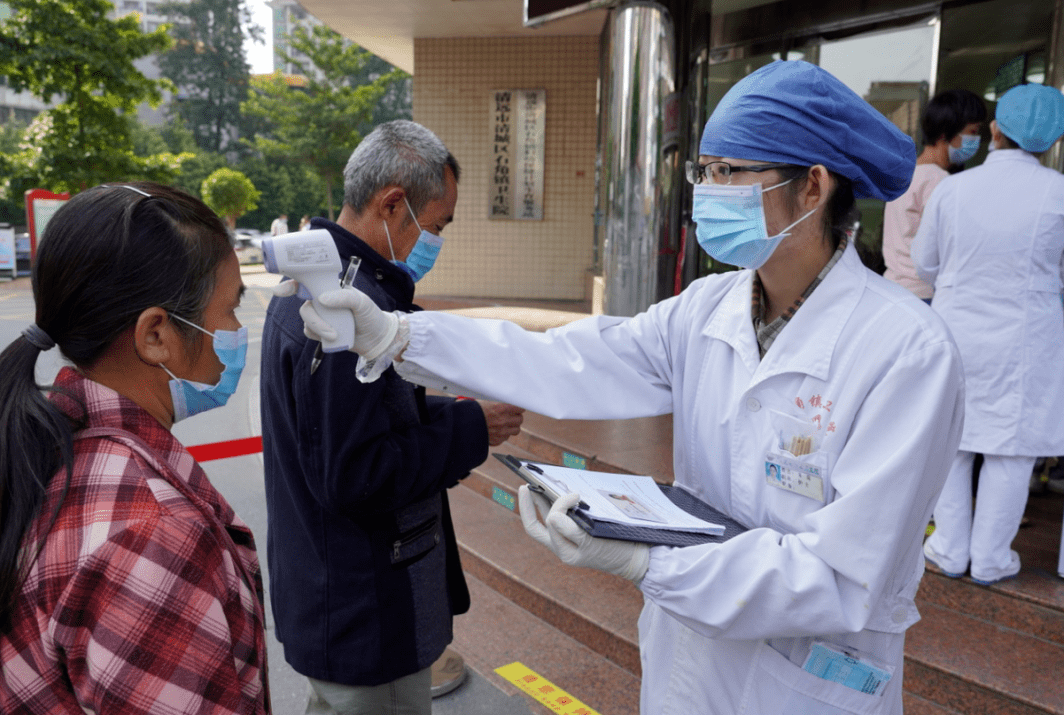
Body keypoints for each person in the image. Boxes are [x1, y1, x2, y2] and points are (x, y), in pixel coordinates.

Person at [297, 62, 965, 715]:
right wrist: (403, 337)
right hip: (690, 662)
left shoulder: (906, 351)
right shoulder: (707, 308)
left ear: (813, 187)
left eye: (729, 173)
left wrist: (651, 564)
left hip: (806, 676)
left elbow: (839, 575)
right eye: (704, 172)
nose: (707, 190)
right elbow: (569, 360)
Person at [260, 119, 524, 715]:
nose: (434, 242)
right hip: (366, 608)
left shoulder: (319, 286)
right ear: (392, 204)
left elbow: (355, 423)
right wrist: (473, 428)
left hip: (334, 599)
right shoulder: (345, 310)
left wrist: (445, 408)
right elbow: (356, 474)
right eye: (435, 225)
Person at [0, 182, 269, 713]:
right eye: (229, 310)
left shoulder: (47, 441)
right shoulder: (154, 538)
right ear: (156, 334)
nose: (236, 331)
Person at [914, 82, 1064, 585]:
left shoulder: (953, 190)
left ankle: (951, 547)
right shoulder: (1059, 193)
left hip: (958, 328)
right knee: (1012, 448)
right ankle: (992, 558)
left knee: (953, 440)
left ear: (996, 130)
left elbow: (925, 264)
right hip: (1030, 337)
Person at [882, 89, 986, 301]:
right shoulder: (939, 181)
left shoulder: (907, 173)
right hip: (924, 294)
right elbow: (947, 244)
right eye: (972, 132)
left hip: (894, 287)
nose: (976, 140)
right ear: (944, 134)